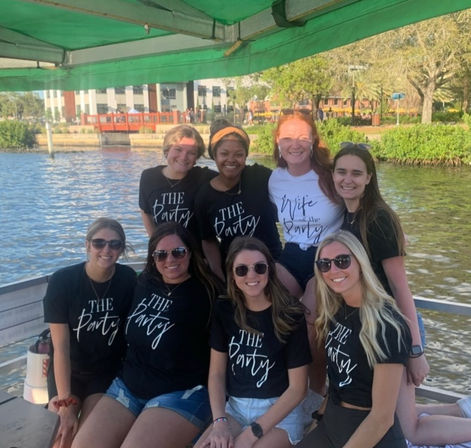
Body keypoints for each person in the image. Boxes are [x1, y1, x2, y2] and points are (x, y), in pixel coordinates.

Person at [332, 143, 471, 446]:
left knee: (411, 431)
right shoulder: (348, 216)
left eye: (357, 173)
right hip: (370, 331)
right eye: (341, 171)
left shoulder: (379, 218)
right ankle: (461, 408)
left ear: (369, 177)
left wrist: (416, 350)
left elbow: (400, 287)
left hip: (394, 333)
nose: (348, 179)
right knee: (396, 413)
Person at [72, 222, 221, 448]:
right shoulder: (143, 283)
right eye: (160, 255)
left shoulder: (207, 293)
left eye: (178, 252)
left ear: (190, 253)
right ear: (153, 258)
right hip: (128, 387)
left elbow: (224, 349)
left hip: (180, 392)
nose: (169, 260)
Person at [195, 237, 311, 448]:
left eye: (259, 267)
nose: (251, 275)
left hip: (279, 413)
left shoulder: (290, 314)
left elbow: (298, 389)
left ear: (269, 270)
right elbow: (216, 374)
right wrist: (219, 422)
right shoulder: (225, 310)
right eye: (241, 270)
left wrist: (252, 434)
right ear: (232, 274)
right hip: (236, 409)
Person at [299, 230, 412, 448]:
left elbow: (382, 418)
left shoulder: (387, 324)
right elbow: (337, 380)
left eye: (342, 261)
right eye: (325, 264)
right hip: (332, 421)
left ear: (360, 262)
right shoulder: (336, 311)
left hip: (369, 432)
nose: (334, 270)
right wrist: (316, 421)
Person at [43, 217, 137, 448]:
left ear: (121, 249)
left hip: (105, 373)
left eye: (115, 244)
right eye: (99, 243)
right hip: (68, 372)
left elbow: (135, 332)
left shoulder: (128, 280)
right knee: (62, 434)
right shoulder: (63, 281)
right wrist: (64, 404)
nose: (107, 250)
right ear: (87, 245)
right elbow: (61, 348)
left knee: (89, 438)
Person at [268, 110, 343, 298]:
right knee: (278, 310)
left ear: (313, 141)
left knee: (310, 314)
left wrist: (393, 230)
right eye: (287, 138)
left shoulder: (331, 176)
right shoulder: (275, 179)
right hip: (292, 254)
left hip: (327, 255)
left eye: (302, 138)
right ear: (278, 140)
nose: (295, 145)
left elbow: (366, 203)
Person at [195, 119, 282, 280]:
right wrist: (219, 275)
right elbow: (208, 240)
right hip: (235, 270)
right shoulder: (205, 196)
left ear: (245, 155)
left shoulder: (260, 176)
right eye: (224, 154)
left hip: (272, 264)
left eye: (239, 154)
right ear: (214, 155)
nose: (231, 160)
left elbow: (290, 184)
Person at [139, 124, 216, 237]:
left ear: (196, 158)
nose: (184, 157)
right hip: (165, 252)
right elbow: (145, 212)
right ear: (167, 151)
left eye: (191, 153)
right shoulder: (149, 177)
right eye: (178, 149)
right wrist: (155, 243)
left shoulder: (204, 177)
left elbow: (229, 177)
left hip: (196, 252)